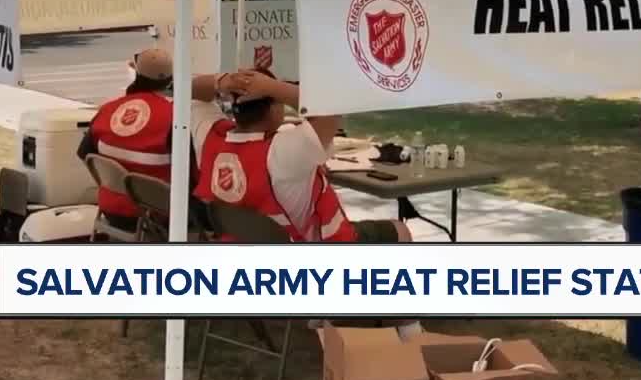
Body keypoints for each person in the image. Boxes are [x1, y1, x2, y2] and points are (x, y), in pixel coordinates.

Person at [190, 68, 411, 244]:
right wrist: (274, 86)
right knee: (400, 230)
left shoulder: (209, 137)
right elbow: (329, 109)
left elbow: (192, 91)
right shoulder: (284, 151)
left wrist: (224, 80)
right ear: (275, 108)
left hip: (238, 243)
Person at [77, 48, 206, 235]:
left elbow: (84, 153)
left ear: (137, 74)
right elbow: (193, 178)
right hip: (158, 216)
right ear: (170, 80)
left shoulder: (107, 109)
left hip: (111, 210)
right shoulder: (176, 118)